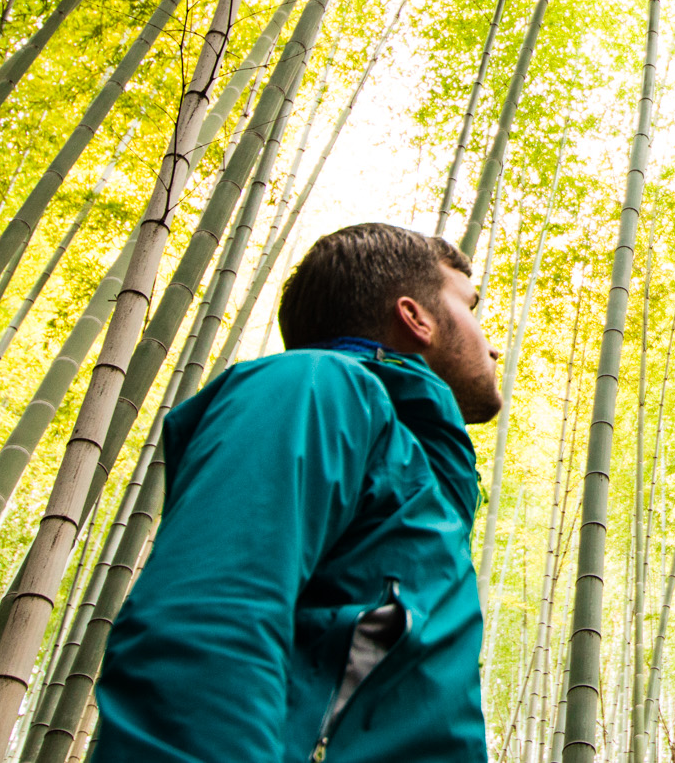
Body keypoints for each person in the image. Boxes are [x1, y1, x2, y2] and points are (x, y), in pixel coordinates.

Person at [91, 222, 503, 763]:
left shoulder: (419, 473)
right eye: (471, 308)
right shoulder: (314, 387)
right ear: (416, 316)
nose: (491, 343)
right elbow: (210, 620)